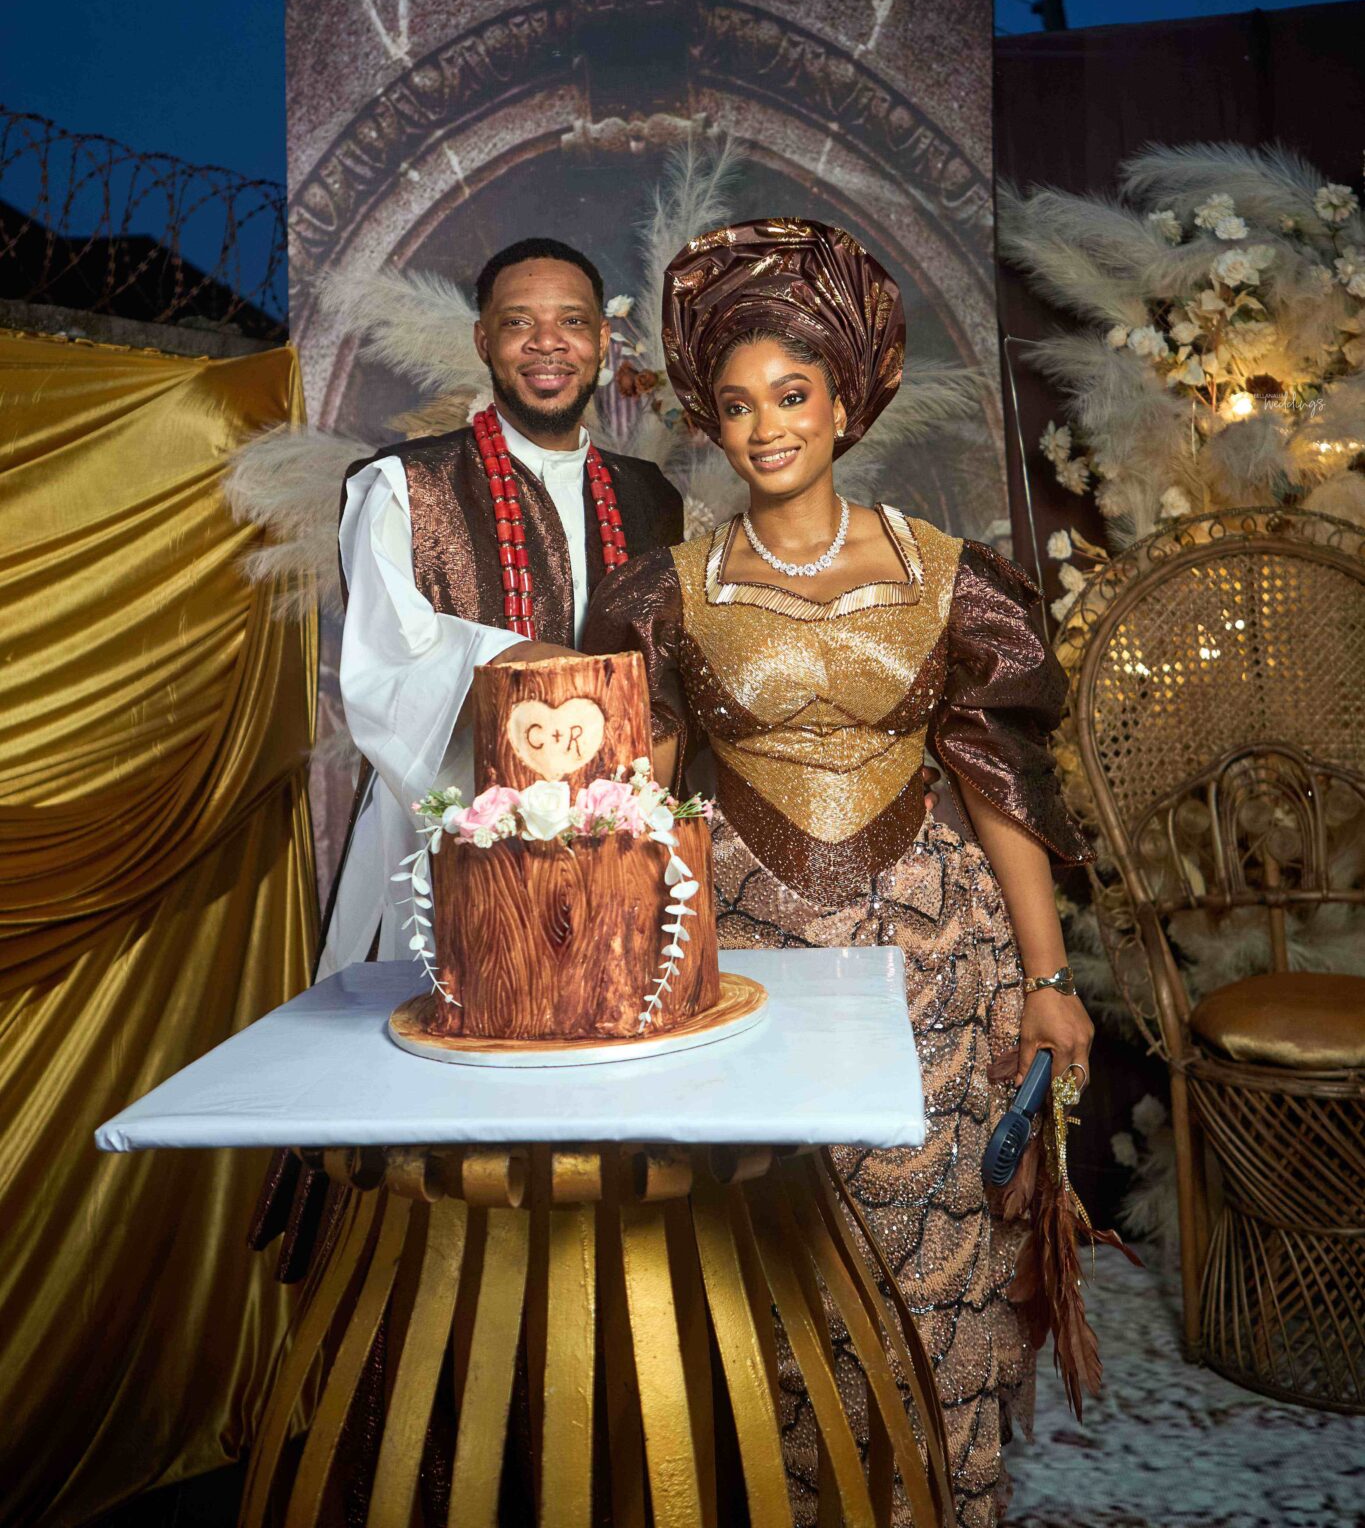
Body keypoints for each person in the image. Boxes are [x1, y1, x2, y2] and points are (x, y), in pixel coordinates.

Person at [583, 217, 1095, 1528]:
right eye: (737, 403)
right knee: (761, 1273)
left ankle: (926, 1500)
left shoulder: (949, 579)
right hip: (745, 969)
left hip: (936, 965)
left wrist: (1047, 980)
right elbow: (623, 807)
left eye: (792, 393)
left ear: (845, 398)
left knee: (931, 1270)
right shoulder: (664, 594)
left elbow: (1003, 789)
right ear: (709, 418)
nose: (766, 427)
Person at [318, 235, 683, 975]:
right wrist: (537, 667)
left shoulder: (650, 497)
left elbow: (671, 674)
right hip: (444, 839)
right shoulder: (403, 485)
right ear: (483, 340)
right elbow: (388, 659)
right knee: (452, 1019)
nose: (548, 343)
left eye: (572, 322)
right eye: (519, 322)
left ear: (602, 339)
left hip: (615, 840)